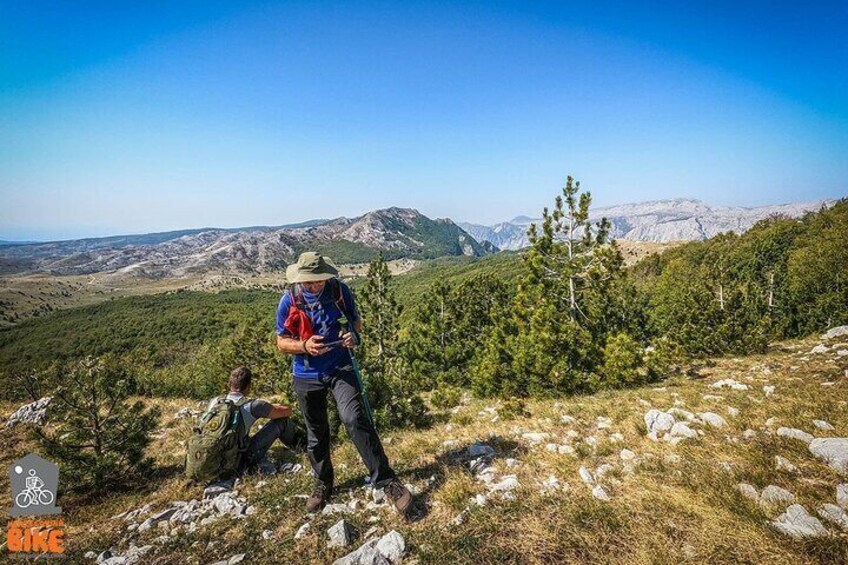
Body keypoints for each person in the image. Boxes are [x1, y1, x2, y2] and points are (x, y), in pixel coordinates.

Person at [275, 252, 412, 514]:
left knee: (354, 418)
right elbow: (281, 342)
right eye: (308, 281)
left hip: (340, 364)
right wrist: (304, 345)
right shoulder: (289, 299)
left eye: (318, 280)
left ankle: (386, 480)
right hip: (306, 373)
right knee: (316, 431)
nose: (313, 285)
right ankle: (323, 482)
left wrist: (352, 335)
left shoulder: (339, 291)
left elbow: (355, 322)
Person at [206, 366, 306, 475]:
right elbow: (286, 412)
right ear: (249, 386)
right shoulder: (253, 405)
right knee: (282, 421)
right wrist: (271, 406)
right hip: (239, 460)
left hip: (212, 457)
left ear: (229, 384)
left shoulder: (215, 401)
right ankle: (302, 446)